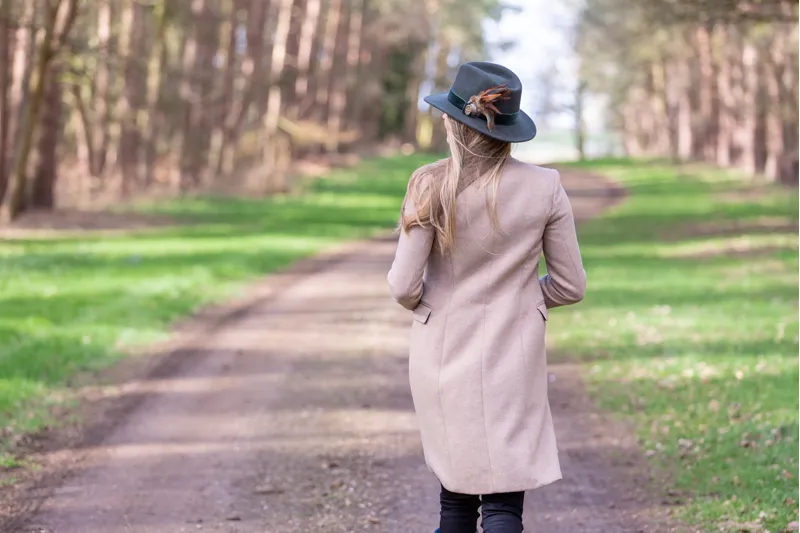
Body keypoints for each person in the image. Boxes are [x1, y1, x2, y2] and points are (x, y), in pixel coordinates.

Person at [387, 62, 586, 533]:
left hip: (442, 352)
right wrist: (522, 300)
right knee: (503, 507)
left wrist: (434, 308)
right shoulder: (545, 186)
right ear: (509, 128)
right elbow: (570, 285)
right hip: (513, 354)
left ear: (453, 121)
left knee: (454, 502)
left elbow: (402, 285)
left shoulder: (428, 183)